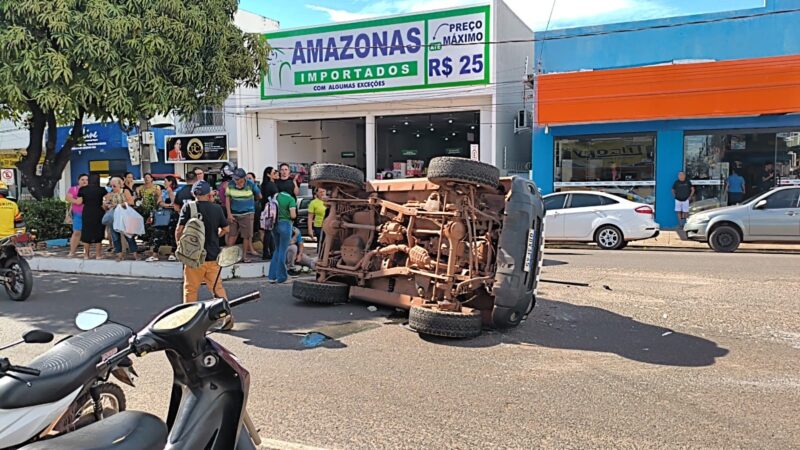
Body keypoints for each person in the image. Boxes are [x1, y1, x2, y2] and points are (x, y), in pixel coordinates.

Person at [176, 180, 229, 305]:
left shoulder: (188, 207)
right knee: (217, 288)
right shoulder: (217, 209)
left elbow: (179, 230)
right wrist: (216, 235)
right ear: (209, 194)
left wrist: (180, 246)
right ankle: (226, 313)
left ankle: (189, 315)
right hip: (213, 256)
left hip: (193, 256)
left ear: (193, 194)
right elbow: (226, 229)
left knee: (191, 289)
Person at [225, 168, 261, 262]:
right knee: (232, 234)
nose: (235, 180)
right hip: (234, 213)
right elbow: (227, 200)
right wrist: (229, 214)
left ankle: (244, 256)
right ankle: (227, 256)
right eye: (234, 178)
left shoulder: (250, 184)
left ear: (243, 178)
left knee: (246, 236)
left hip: (247, 213)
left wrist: (252, 201)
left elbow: (259, 196)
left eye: (237, 179)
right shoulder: (231, 184)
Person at [105, 177, 139, 261]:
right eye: (111, 186)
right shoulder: (109, 194)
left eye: (114, 186)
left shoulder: (125, 191)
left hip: (125, 216)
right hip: (114, 217)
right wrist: (107, 205)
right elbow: (105, 206)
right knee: (115, 237)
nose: (112, 188)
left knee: (129, 236)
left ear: (120, 185)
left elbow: (131, 202)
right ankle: (119, 255)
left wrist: (118, 205)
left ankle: (135, 255)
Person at [76, 174, 108, 260]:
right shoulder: (102, 189)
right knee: (99, 232)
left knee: (86, 232)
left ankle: (86, 255)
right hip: (98, 212)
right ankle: (98, 255)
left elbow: (79, 202)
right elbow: (107, 200)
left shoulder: (83, 189)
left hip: (87, 212)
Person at [268, 189, 296, 284]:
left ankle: (272, 276)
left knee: (277, 250)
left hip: (274, 224)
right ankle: (282, 277)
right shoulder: (290, 199)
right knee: (283, 251)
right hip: (285, 224)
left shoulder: (275, 196)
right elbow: (293, 215)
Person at [66, 174, 88, 257]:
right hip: (78, 213)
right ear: (78, 181)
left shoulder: (90, 189)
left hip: (89, 213)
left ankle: (86, 253)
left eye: (86, 180)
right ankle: (72, 252)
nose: (84, 181)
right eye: (82, 179)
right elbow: (68, 198)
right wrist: (76, 201)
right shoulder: (74, 189)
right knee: (76, 232)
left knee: (87, 233)